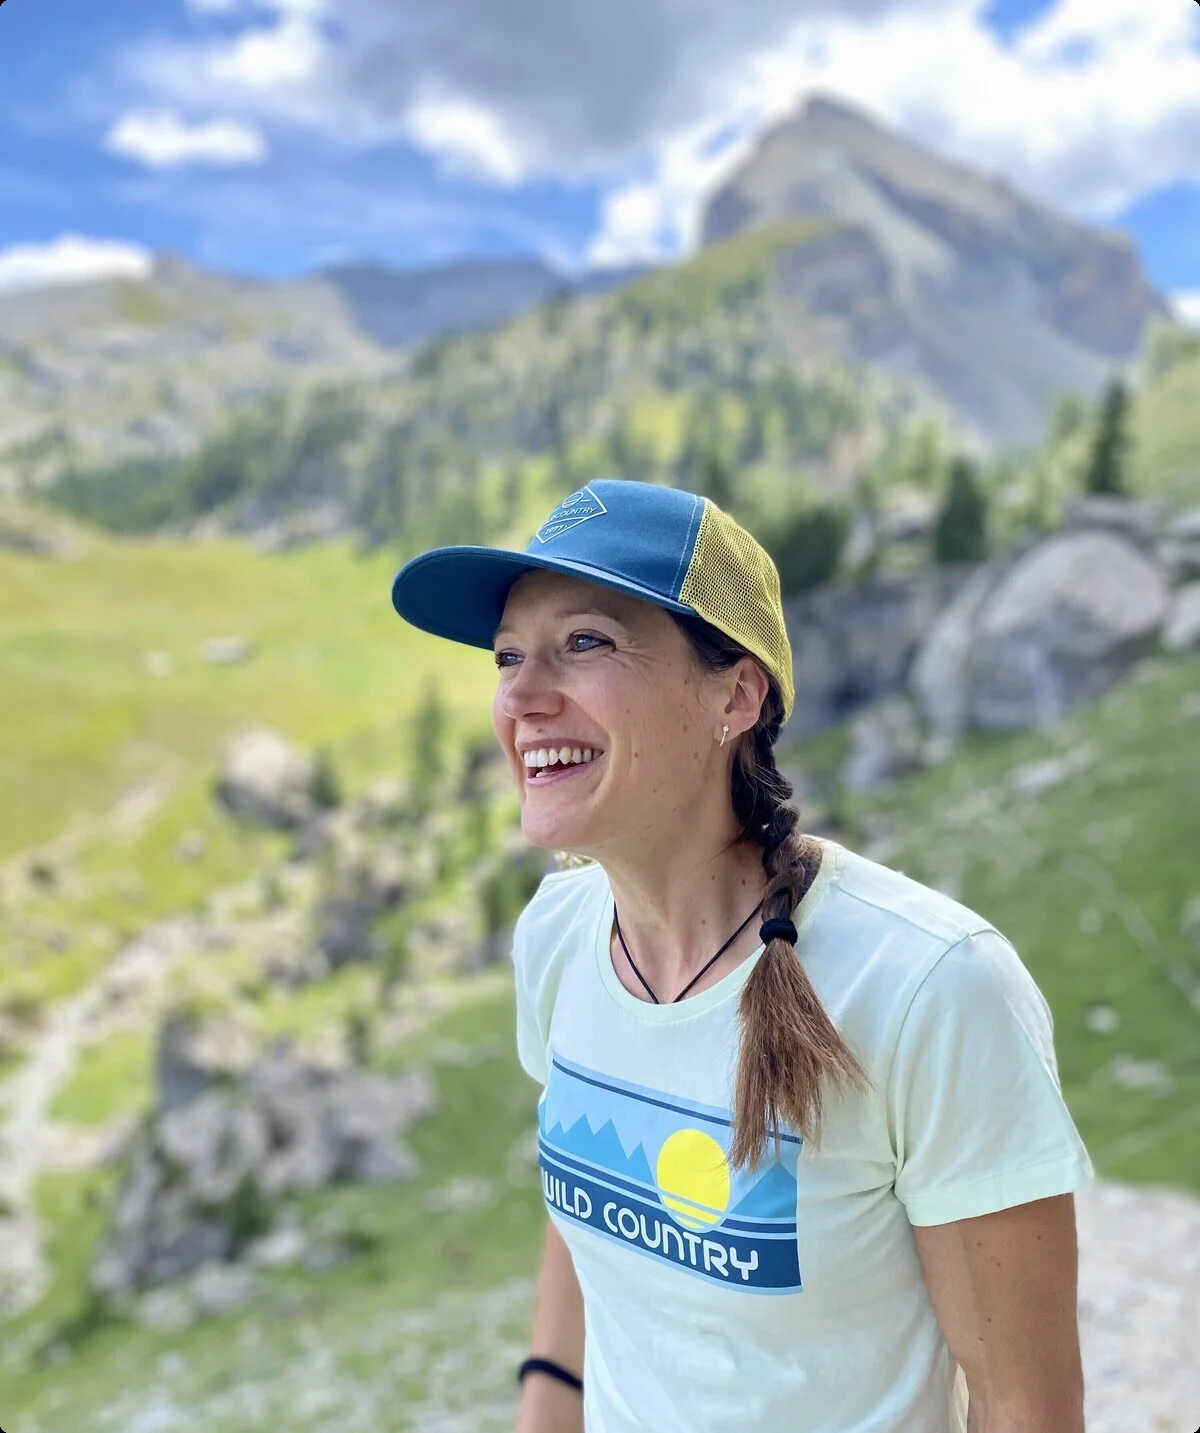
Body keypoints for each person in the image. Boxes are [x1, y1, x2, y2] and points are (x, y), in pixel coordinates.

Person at [390, 478, 1094, 1433]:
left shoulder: (931, 985)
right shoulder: (557, 934)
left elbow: (1026, 1406)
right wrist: (546, 1407)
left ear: (735, 694)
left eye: (584, 642)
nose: (520, 695)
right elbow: (594, 1205)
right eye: (509, 655)